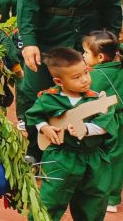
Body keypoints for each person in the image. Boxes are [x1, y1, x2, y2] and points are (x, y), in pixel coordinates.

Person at [17, 0, 122, 158]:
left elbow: (112, 3)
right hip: (49, 38)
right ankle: (36, 152)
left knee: (89, 94)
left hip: (88, 41)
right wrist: (29, 41)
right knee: (38, 93)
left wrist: (111, 42)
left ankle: (83, 152)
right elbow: (28, 2)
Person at [25, 47, 117, 220]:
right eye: (76, 77)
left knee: (93, 202)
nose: (85, 80)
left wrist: (86, 129)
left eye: (86, 72)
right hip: (60, 157)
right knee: (50, 201)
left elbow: (106, 124)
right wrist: (44, 127)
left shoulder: (97, 99)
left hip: (92, 158)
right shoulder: (48, 98)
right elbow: (34, 115)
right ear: (59, 81)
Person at [82, 30, 123, 212]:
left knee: (103, 159)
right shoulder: (118, 68)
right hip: (120, 120)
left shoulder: (95, 76)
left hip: (106, 121)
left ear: (99, 57)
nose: (83, 55)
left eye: (85, 52)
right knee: (117, 160)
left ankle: (101, 196)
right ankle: (113, 198)